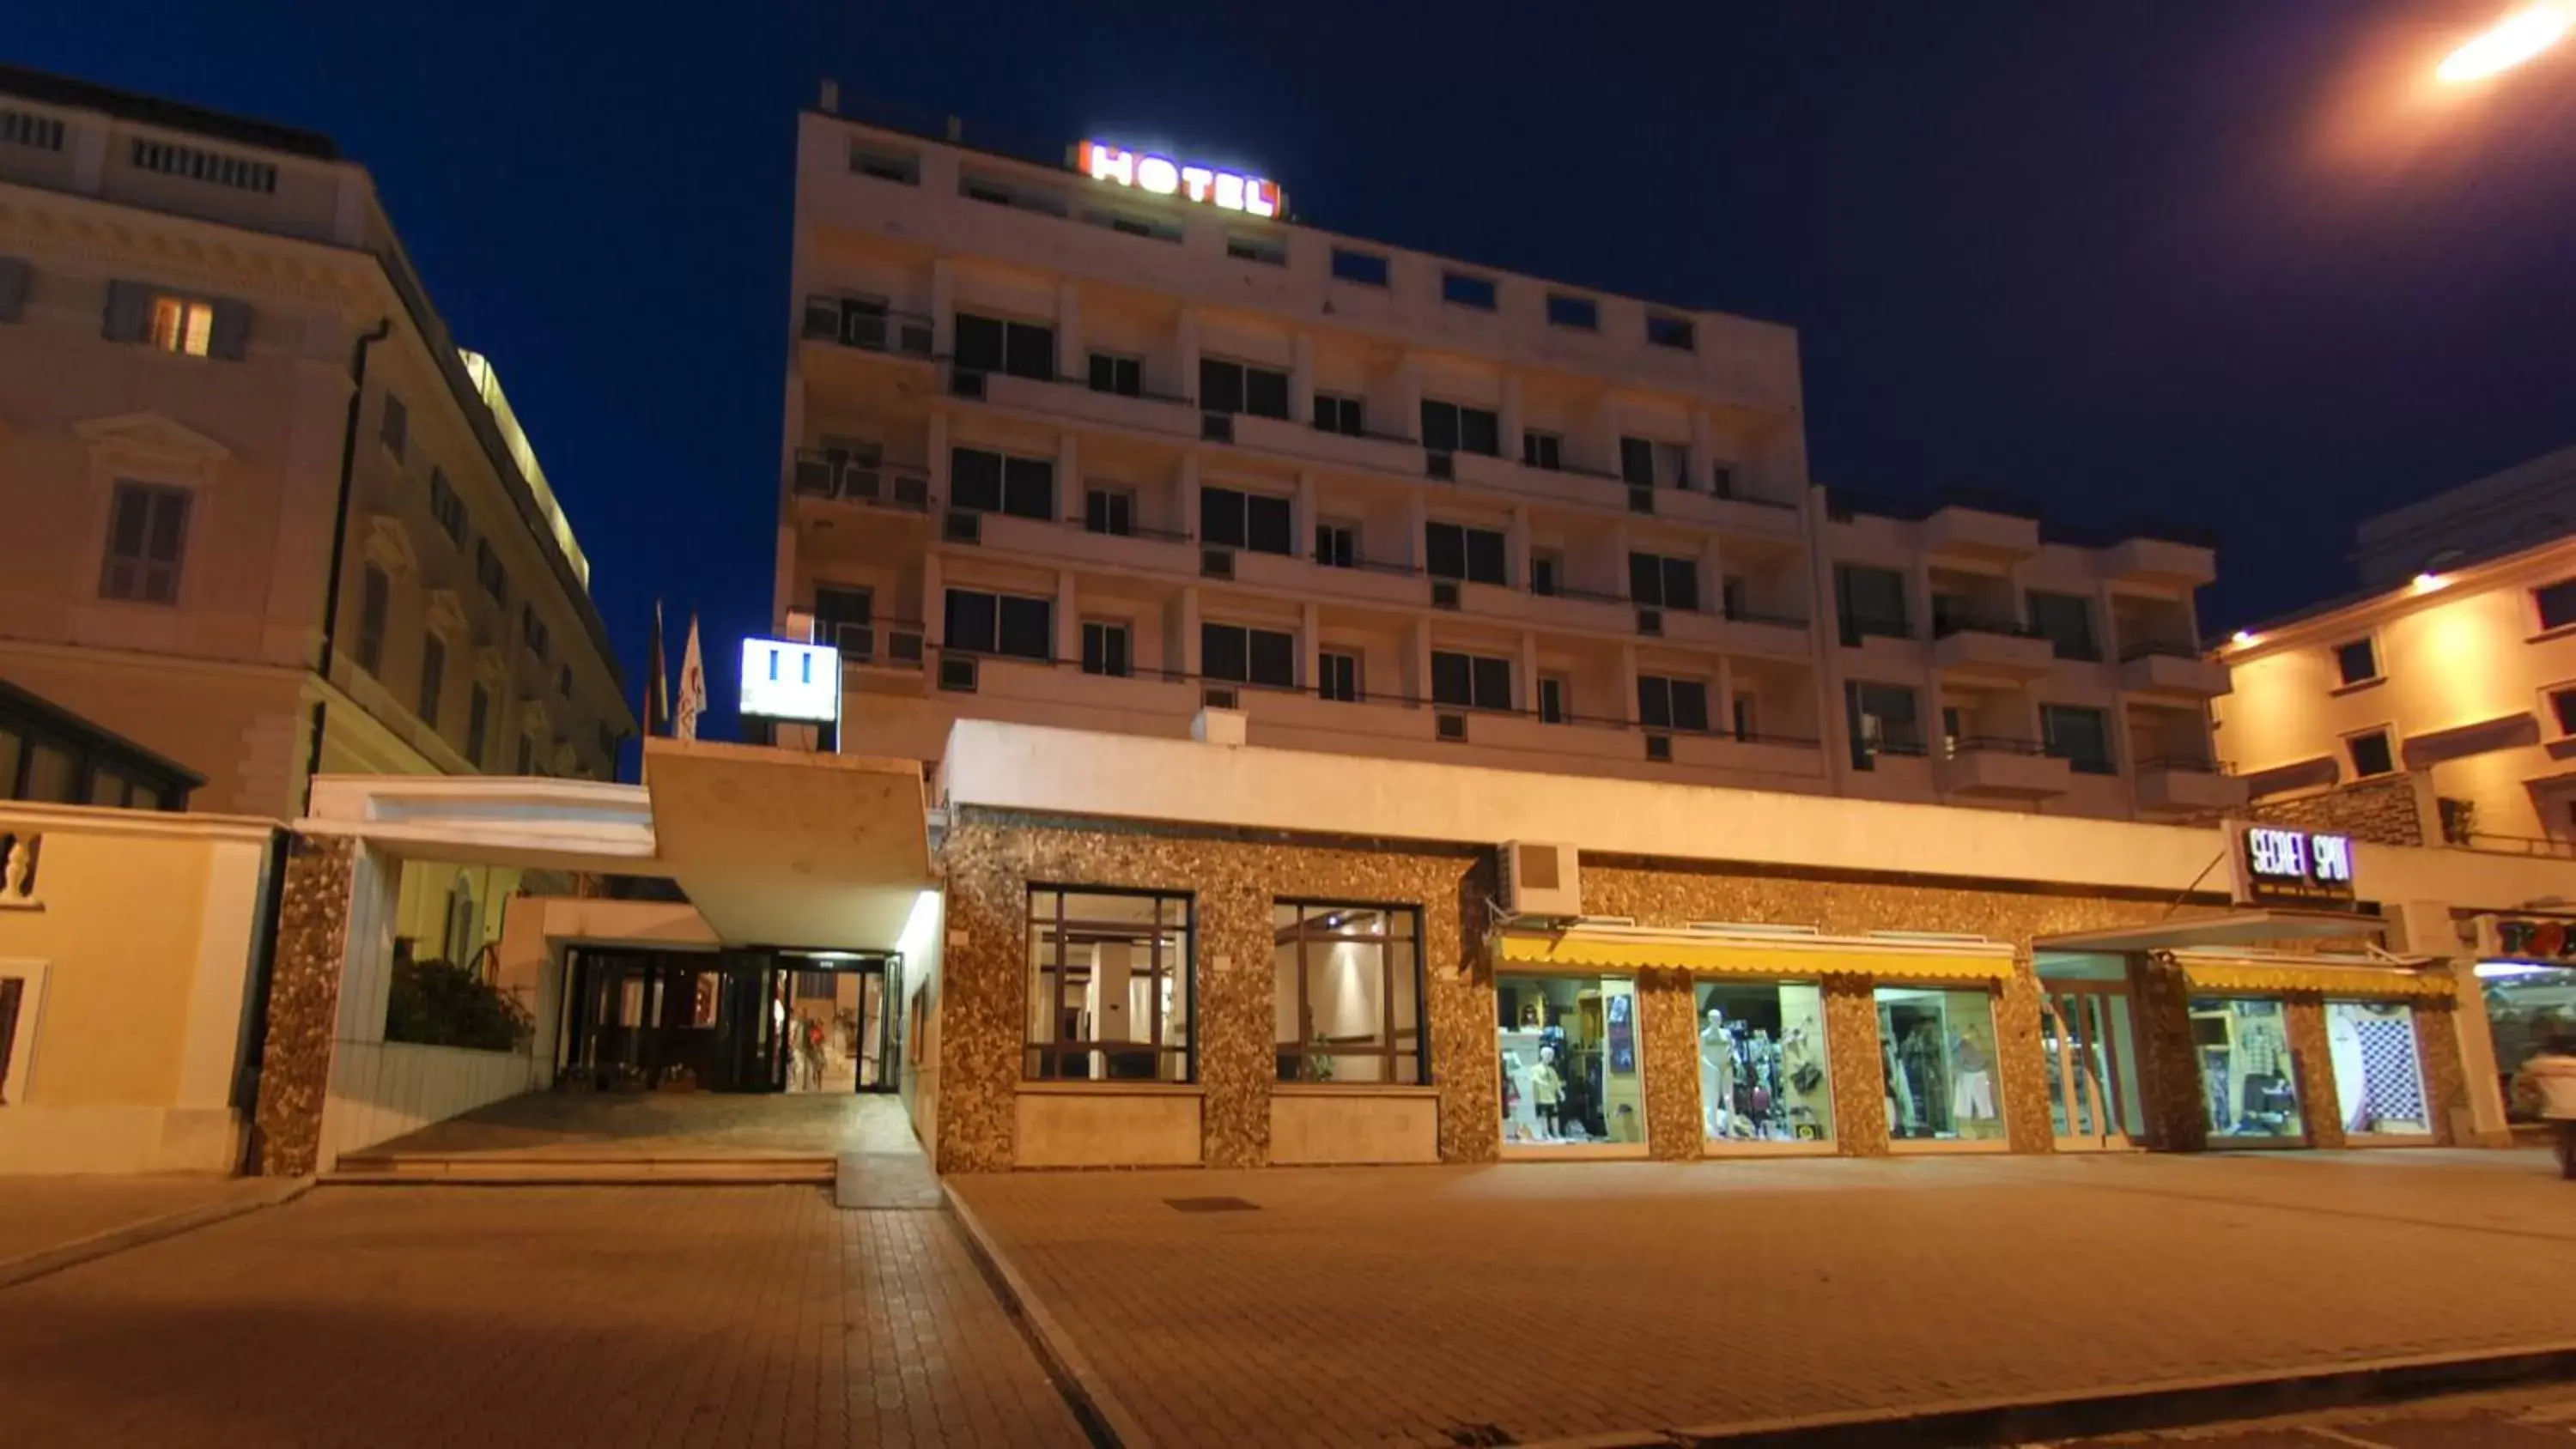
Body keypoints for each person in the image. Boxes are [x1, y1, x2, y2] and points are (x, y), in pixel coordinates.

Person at [2516, 1034, 2576, 1179]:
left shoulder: (2537, 1065)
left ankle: (2570, 1169)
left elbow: (2523, 1079)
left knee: (2565, 1141)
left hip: (2556, 1109)